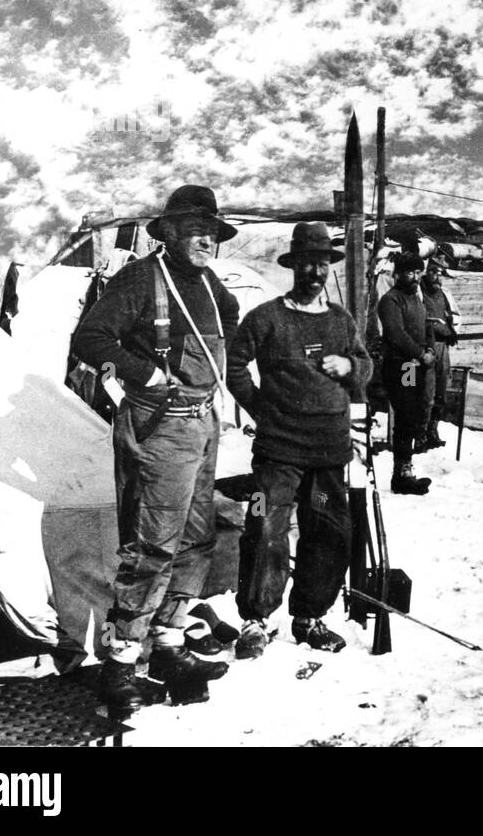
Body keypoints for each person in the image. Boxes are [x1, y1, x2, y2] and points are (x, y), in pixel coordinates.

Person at [72, 185, 241, 713]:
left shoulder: (211, 284)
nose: (205, 240)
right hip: (160, 426)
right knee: (153, 544)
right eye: (194, 230)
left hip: (202, 421)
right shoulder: (141, 279)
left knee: (196, 537)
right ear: (167, 234)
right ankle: (120, 665)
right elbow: (91, 338)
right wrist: (145, 372)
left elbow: (227, 325)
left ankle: (168, 647)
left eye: (211, 232)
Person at [226, 223, 373, 659]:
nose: (315, 271)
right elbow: (233, 365)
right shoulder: (267, 317)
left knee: (328, 532)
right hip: (277, 452)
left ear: (329, 267)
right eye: (307, 263)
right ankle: (255, 621)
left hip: (329, 451)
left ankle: (310, 617)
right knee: (264, 527)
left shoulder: (341, 320)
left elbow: (365, 364)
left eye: (322, 264)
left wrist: (349, 367)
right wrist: (260, 410)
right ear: (293, 266)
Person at [377, 253, 435, 495]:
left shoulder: (417, 299)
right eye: (410, 273)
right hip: (404, 366)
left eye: (418, 272)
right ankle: (402, 474)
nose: (415, 277)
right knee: (406, 415)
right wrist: (421, 354)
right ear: (398, 274)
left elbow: (427, 326)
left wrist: (430, 348)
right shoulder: (391, 300)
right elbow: (395, 333)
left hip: (416, 365)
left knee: (415, 413)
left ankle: (405, 470)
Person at [418, 256, 458, 450]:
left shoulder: (445, 295)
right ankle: (420, 434)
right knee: (424, 393)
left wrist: (451, 330)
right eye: (433, 272)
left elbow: (455, 317)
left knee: (441, 391)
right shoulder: (418, 292)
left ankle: (433, 430)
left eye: (440, 273)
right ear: (427, 272)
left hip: (442, 348)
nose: (436, 277)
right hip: (425, 348)